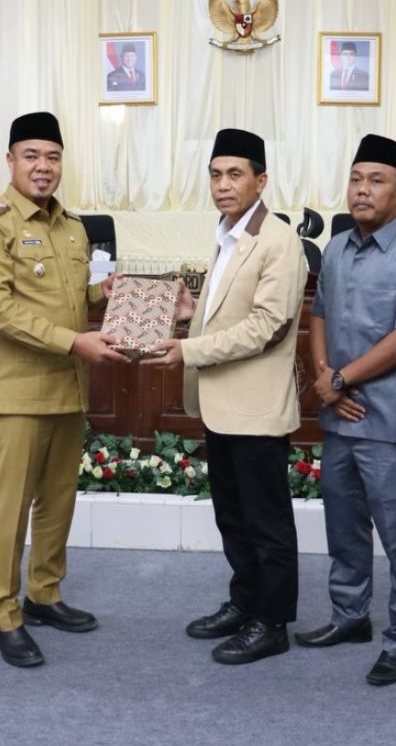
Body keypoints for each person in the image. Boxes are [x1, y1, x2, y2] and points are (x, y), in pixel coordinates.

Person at [0, 111, 130, 668]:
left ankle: (44, 594)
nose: (43, 166)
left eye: (52, 157)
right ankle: (4, 615)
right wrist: (74, 342)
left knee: (57, 504)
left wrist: (108, 293)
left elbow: (73, 296)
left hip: (67, 390)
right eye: (31, 156)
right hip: (16, 393)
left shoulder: (73, 227)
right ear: (10, 161)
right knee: (9, 511)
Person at [143, 128, 308, 665]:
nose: (222, 184)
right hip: (220, 405)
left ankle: (272, 622)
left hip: (255, 409)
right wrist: (191, 315)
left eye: (235, 174)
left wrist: (188, 351)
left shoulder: (278, 240)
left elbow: (268, 327)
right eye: (215, 174)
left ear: (261, 180)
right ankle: (245, 603)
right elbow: (229, 314)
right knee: (232, 518)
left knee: (266, 523)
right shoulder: (226, 234)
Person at [294, 135, 396, 686]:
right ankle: (350, 616)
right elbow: (318, 314)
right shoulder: (334, 249)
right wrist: (323, 377)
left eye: (376, 181)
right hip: (339, 417)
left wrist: (340, 379)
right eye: (356, 179)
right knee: (343, 526)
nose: (362, 190)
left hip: (386, 421)